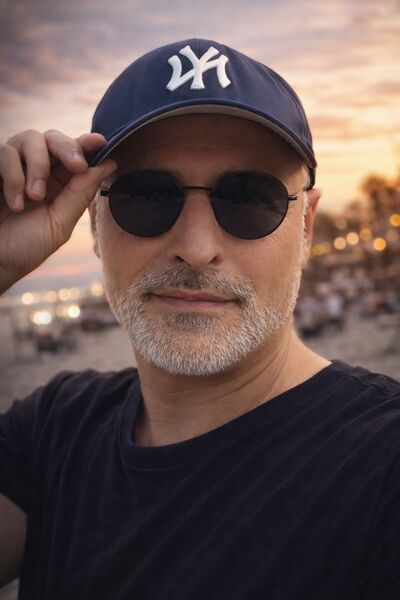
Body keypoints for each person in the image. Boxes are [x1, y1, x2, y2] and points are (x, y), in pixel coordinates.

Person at [0, 38, 399, 599]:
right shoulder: (53, 431)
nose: (196, 248)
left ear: (306, 227)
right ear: (92, 222)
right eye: (145, 196)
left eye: (249, 199)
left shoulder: (382, 463)